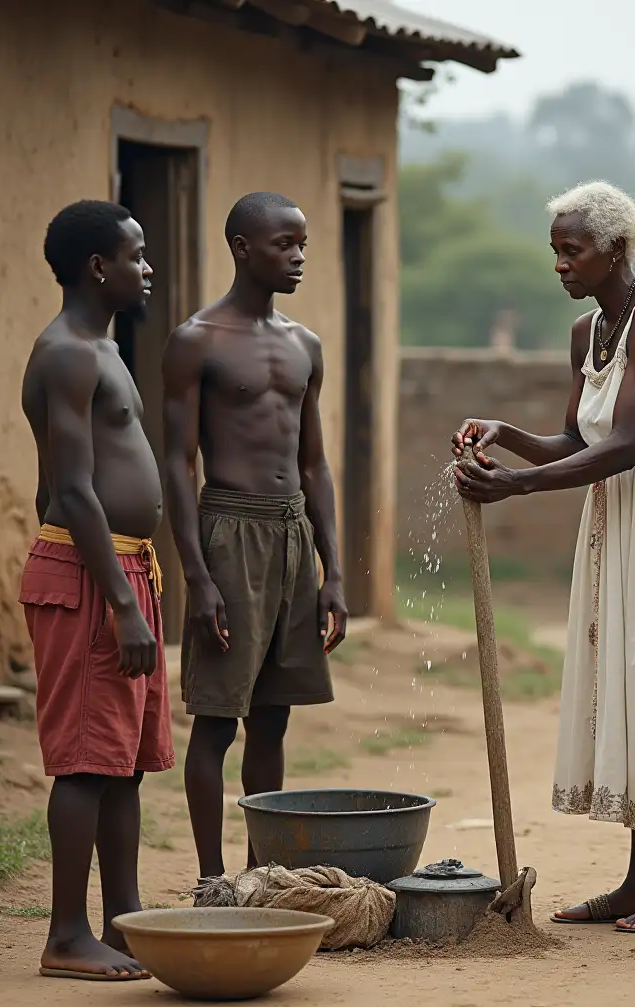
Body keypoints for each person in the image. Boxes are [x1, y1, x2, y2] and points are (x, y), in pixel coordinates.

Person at [452, 181, 635, 934]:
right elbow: (579, 441)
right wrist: (505, 433)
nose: (561, 264)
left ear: (615, 249)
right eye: (556, 252)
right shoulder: (587, 331)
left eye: (571, 251)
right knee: (628, 682)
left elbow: (629, 444)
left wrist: (517, 488)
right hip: (614, 513)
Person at [163, 191, 346, 881]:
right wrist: (197, 576)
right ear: (242, 247)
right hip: (228, 531)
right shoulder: (196, 341)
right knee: (217, 719)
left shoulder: (306, 345)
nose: (298, 256)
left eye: (302, 243)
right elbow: (178, 464)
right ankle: (212, 880)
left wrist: (335, 573)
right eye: (283, 244)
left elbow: (314, 463)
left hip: (292, 533)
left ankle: (255, 874)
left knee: (272, 719)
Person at [20, 200, 172, 981]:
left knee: (125, 761)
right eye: (137, 256)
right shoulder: (68, 353)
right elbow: (73, 492)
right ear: (97, 268)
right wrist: (117, 602)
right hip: (90, 578)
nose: (148, 268)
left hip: (120, 568)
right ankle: (67, 934)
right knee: (85, 760)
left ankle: (122, 919)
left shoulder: (102, 348)